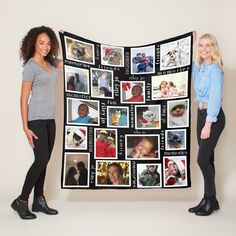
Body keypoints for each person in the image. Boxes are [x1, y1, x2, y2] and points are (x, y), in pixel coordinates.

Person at [11, 26, 63, 220]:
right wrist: (25, 127)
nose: (46, 47)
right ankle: (21, 201)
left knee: (45, 160)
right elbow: (23, 99)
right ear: (33, 42)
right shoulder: (31, 66)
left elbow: (68, 60)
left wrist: (66, 38)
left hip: (50, 118)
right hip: (36, 119)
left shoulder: (51, 64)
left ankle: (39, 200)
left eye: (49, 43)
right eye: (42, 43)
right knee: (40, 160)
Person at [188, 32, 225, 216]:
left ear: (213, 48)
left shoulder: (215, 69)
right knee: (208, 159)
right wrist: (191, 41)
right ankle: (210, 200)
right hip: (200, 115)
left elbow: (216, 99)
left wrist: (209, 123)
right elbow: (191, 65)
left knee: (202, 159)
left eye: (207, 45)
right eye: (201, 45)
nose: (203, 49)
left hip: (213, 117)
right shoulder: (201, 67)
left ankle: (210, 200)